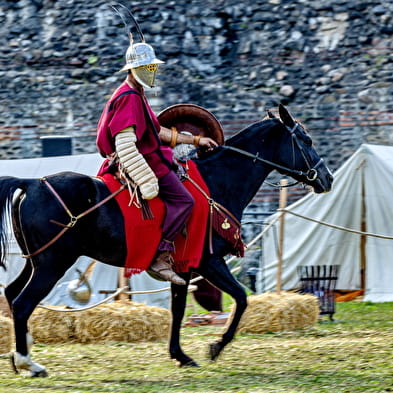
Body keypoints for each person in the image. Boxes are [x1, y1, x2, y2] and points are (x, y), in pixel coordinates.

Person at [96, 37, 218, 286]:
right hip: (142, 162)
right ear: (133, 69)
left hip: (152, 158)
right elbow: (125, 144)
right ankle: (160, 256)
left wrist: (195, 140)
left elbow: (156, 131)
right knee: (185, 201)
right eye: (147, 67)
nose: (152, 72)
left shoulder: (137, 94)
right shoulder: (128, 96)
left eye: (153, 67)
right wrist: (145, 178)